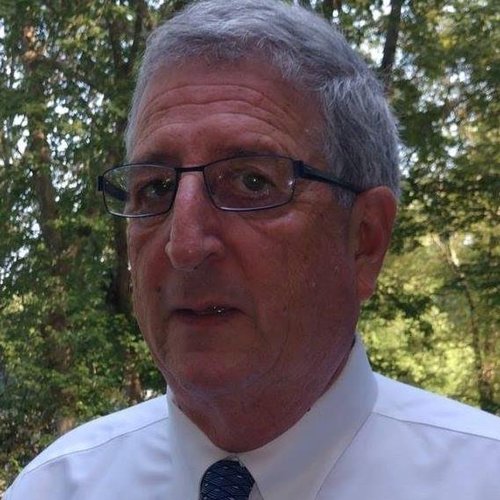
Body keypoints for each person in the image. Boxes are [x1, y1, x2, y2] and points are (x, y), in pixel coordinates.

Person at [5, 0, 500, 498]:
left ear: (365, 240)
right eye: (155, 188)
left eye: (251, 182)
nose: (185, 245)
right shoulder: (55, 488)